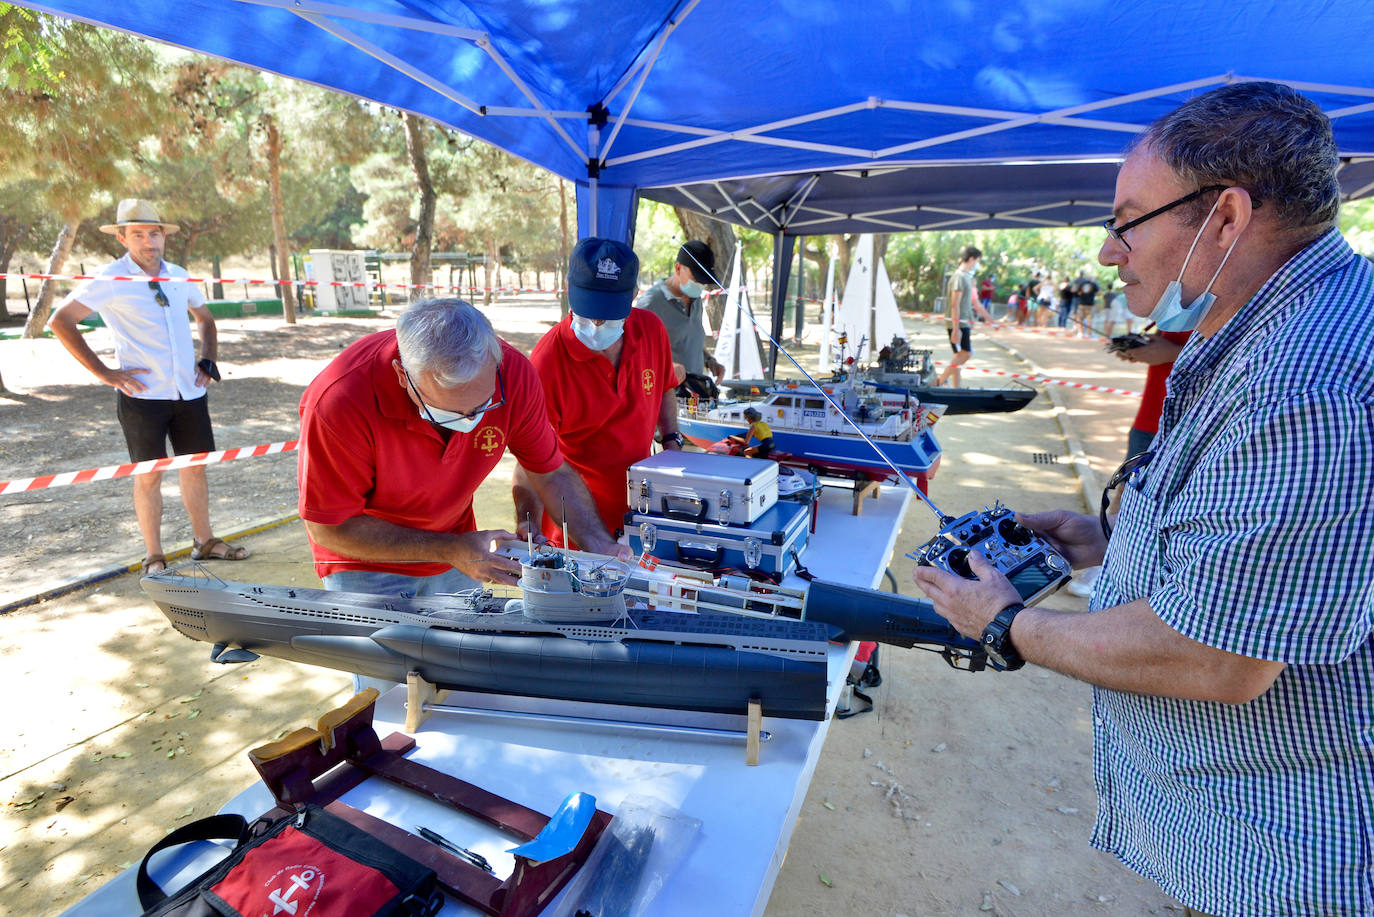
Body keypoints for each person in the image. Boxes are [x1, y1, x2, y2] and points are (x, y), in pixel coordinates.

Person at [915, 82, 1374, 917]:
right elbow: (1247, 528)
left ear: (1224, 219)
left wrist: (1008, 623)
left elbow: (1221, 656)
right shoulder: (1275, 328)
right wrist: (1102, 537)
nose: (1107, 253)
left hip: (1286, 866)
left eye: (1126, 220)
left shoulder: (1304, 387)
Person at [297, 297, 626, 599]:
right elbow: (330, 527)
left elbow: (551, 473)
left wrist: (600, 545)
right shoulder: (338, 403)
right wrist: (451, 549)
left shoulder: (513, 374)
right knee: (385, 661)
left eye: (482, 406)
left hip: (458, 551)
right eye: (448, 412)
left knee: (460, 658)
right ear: (402, 374)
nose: (470, 420)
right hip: (366, 563)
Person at [49, 198, 246, 574]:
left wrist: (208, 358)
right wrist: (104, 372)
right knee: (149, 474)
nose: (148, 242)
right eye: (137, 234)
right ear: (122, 238)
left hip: (189, 392)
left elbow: (204, 317)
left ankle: (204, 542)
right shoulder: (111, 278)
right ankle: (154, 555)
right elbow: (61, 321)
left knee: (195, 468)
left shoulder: (177, 273)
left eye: (154, 233)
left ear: (163, 236)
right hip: (143, 396)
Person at [513, 237, 682, 548]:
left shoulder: (652, 330)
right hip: (574, 530)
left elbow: (665, 386)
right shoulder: (547, 361)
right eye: (587, 309)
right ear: (570, 291)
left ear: (633, 295)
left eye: (607, 313)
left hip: (642, 515)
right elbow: (529, 464)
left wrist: (672, 439)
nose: (595, 323)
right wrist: (527, 524)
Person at [635, 240, 725, 398]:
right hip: (663, 396)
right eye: (696, 279)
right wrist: (667, 367)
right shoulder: (650, 303)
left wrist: (709, 360)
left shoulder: (696, 300)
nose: (700, 285)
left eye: (704, 281)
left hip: (694, 394)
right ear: (678, 268)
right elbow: (633, 352)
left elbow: (688, 339)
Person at [934, 245, 995, 387]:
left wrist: (991, 320)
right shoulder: (959, 277)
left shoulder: (967, 278)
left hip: (963, 323)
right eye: (978, 260)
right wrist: (956, 329)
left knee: (958, 356)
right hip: (958, 323)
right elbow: (955, 304)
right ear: (972, 259)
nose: (977, 264)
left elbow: (975, 303)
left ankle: (956, 388)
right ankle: (938, 382)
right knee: (966, 354)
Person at [1073, 270, 1099, 336]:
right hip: (1090, 304)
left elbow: (1078, 293)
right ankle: (1088, 333)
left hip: (1081, 303)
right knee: (1089, 320)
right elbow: (1098, 291)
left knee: (1080, 318)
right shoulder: (1093, 284)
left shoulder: (1082, 284)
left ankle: (1080, 333)